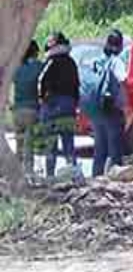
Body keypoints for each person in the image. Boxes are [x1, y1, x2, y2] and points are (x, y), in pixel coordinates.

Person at [39, 33, 80, 178]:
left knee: (51, 146)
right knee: (69, 145)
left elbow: (40, 86)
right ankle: (74, 175)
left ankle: (50, 177)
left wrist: (43, 102)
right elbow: (77, 87)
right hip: (68, 107)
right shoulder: (71, 63)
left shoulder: (48, 63)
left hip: (51, 108)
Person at [89, 30, 126, 176]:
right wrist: (124, 104)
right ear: (120, 45)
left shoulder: (97, 60)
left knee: (99, 151)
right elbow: (123, 81)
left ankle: (94, 182)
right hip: (112, 110)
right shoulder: (116, 61)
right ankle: (116, 185)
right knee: (115, 152)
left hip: (96, 110)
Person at [10, 41, 42, 174]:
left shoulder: (16, 68)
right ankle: (29, 174)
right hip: (32, 110)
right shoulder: (38, 66)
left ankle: (16, 175)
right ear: (35, 52)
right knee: (29, 147)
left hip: (17, 111)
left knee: (19, 146)